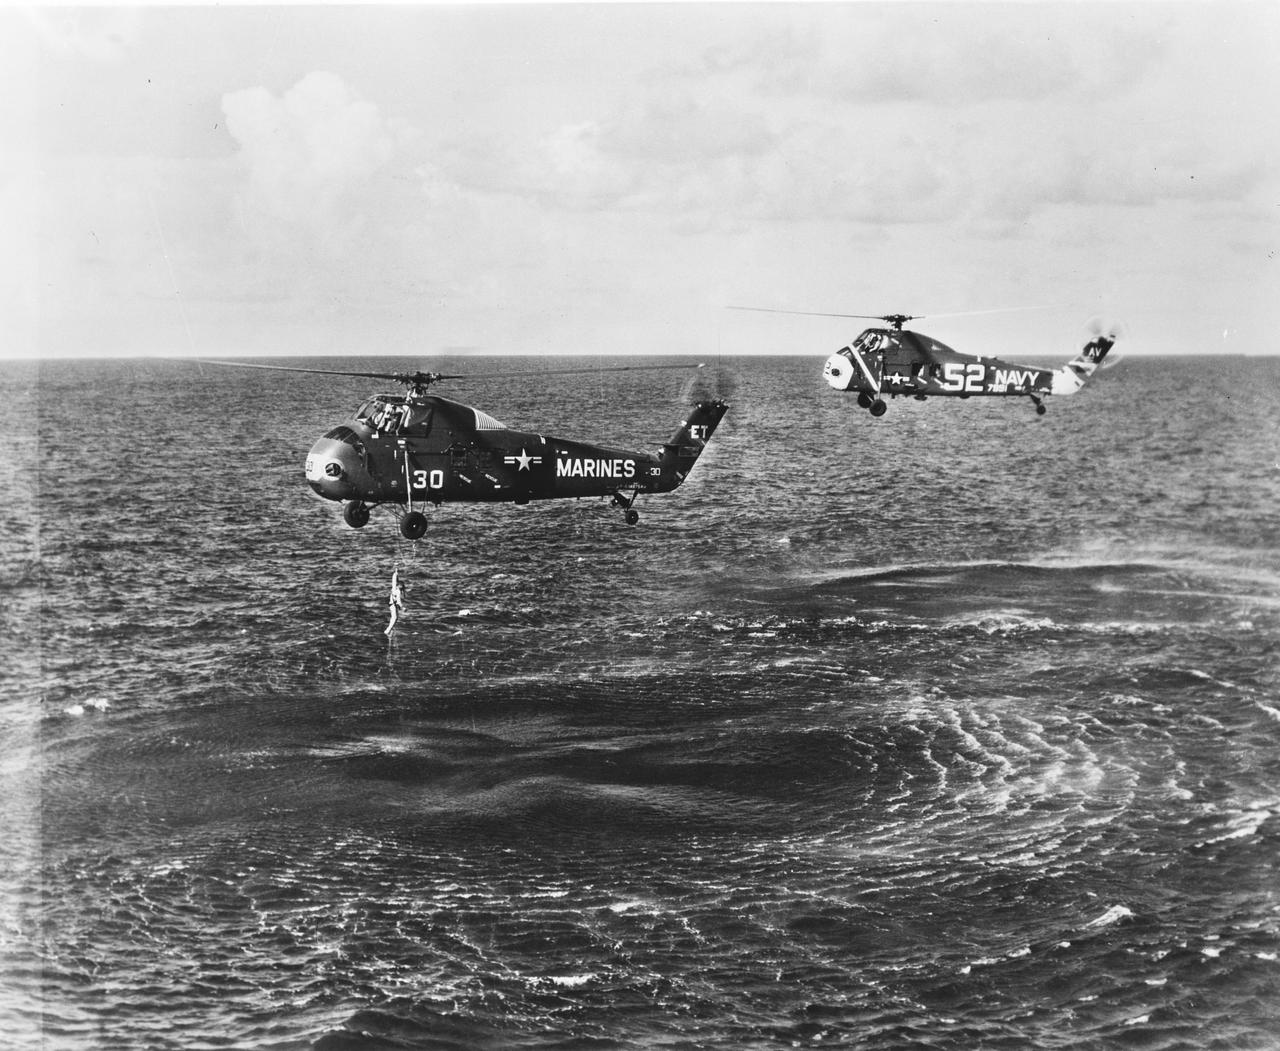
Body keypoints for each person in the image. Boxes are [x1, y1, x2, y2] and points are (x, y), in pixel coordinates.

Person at [384, 568, 406, 635]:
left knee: (394, 618)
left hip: (391, 604)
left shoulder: (394, 588)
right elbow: (399, 601)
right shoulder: (398, 592)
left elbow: (394, 580)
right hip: (393, 605)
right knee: (395, 618)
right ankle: (387, 631)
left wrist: (396, 573)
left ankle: (389, 630)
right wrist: (403, 608)